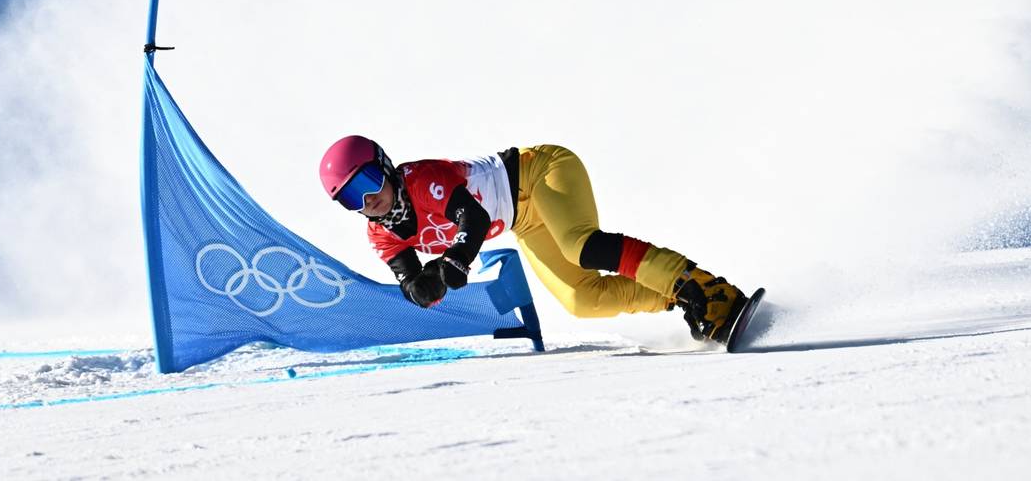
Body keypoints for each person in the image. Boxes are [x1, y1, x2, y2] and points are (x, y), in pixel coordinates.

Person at [319, 136, 754, 344]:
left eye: (369, 182)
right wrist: (426, 285)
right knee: (583, 301)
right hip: (523, 220)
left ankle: (708, 289)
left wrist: (453, 261)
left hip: (539, 173)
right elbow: (415, 288)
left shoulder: (420, 179)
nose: (369, 200)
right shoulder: (381, 235)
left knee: (581, 246)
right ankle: (682, 298)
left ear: (386, 166)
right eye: (352, 198)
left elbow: (473, 217)